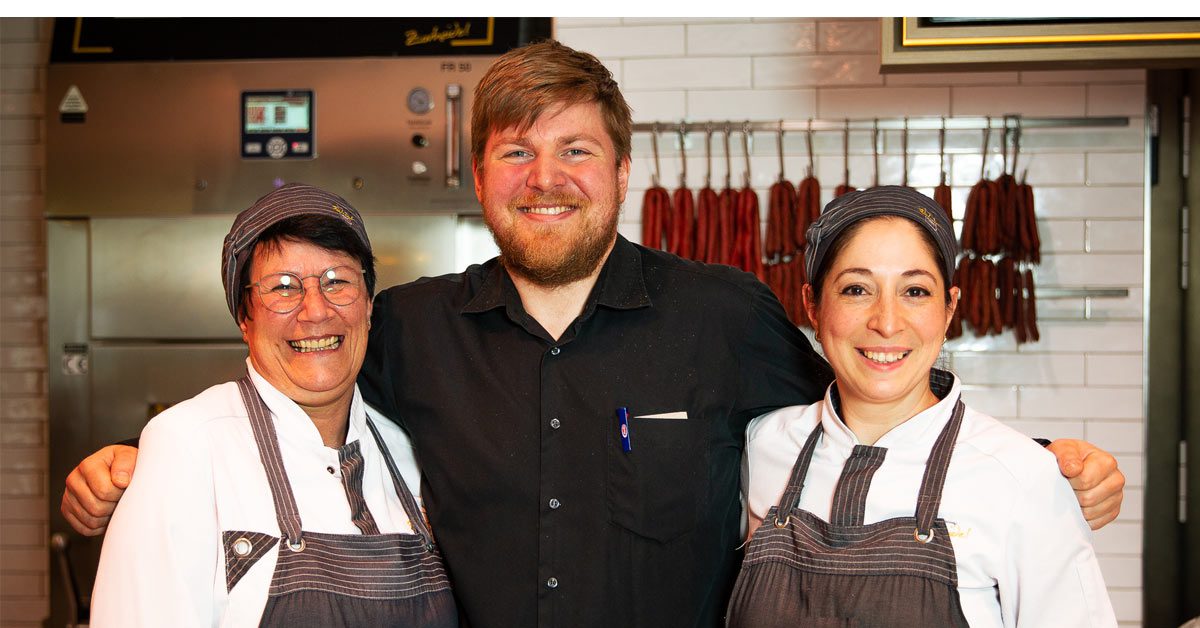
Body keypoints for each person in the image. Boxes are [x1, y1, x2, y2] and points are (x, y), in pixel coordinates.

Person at [62, 41, 1125, 628]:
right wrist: (141, 460)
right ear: (479, 178)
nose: (547, 177)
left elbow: (869, 405)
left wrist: (1034, 464)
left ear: (621, 171)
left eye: (575, 149)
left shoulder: (722, 317)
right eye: (516, 153)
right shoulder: (415, 327)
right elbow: (295, 381)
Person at [727, 186, 1116, 627]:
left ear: (949, 309)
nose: (887, 322)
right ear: (812, 306)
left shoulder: (1023, 477)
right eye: (856, 289)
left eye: (914, 291)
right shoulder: (762, 446)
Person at [88, 184, 457, 627]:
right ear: (244, 316)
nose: (316, 311)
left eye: (338, 281)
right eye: (283, 288)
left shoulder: (408, 451)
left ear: (368, 306)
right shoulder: (185, 447)